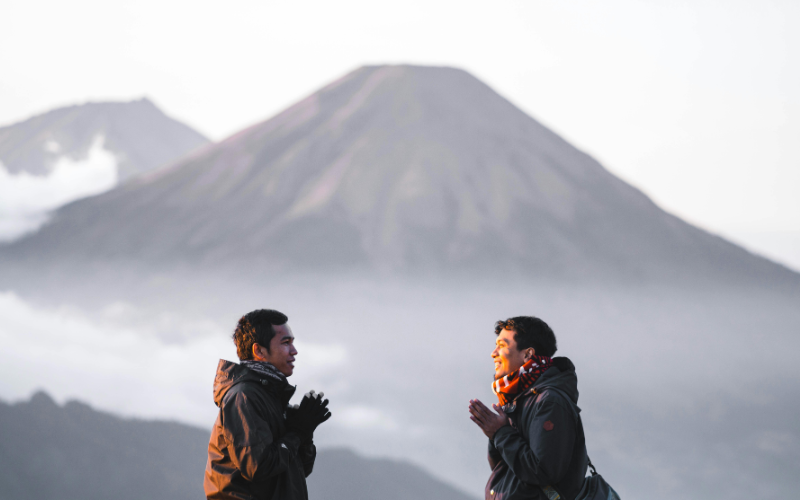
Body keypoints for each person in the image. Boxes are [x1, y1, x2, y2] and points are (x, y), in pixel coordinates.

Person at [204, 309, 331, 500]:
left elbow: (299, 470)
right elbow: (258, 467)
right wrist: (297, 433)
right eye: (286, 343)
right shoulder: (244, 397)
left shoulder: (271, 397)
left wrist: (305, 433)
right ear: (259, 351)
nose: (294, 351)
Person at [468, 316, 588, 500]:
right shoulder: (518, 400)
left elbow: (543, 471)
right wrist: (495, 434)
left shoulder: (549, 401)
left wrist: (500, 433)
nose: (494, 353)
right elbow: (506, 468)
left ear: (528, 354)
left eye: (502, 345)